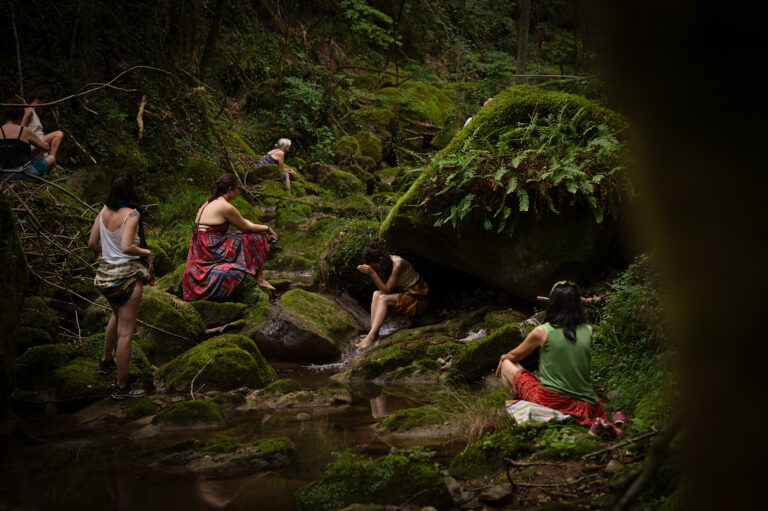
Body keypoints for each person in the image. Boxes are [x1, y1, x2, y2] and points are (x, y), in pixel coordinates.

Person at [496, 281, 616, 429]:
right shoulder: (588, 330)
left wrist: (504, 358)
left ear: (552, 304)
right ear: (578, 305)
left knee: (506, 361)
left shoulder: (542, 331)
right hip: (586, 402)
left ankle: (514, 413)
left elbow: (515, 356)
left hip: (551, 401)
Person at [88, 171, 152, 399]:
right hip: (126, 278)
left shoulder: (103, 211)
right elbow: (126, 247)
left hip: (105, 277)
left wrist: (109, 252)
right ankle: (121, 386)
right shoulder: (132, 214)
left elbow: (92, 242)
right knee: (126, 334)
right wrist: (145, 251)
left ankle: (105, 361)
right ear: (130, 190)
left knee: (115, 316)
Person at [182, 173, 278, 301]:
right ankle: (259, 279)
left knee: (251, 234)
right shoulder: (225, 207)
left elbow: (243, 221)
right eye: (237, 188)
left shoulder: (211, 202)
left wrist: (261, 227)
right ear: (230, 189)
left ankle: (259, 277)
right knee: (256, 237)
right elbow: (246, 227)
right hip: (211, 249)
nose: (238, 192)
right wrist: (266, 228)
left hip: (203, 247)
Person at [355, 247, 429, 350]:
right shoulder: (385, 262)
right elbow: (383, 289)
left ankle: (370, 338)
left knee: (383, 299)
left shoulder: (397, 264)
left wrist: (372, 273)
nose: (376, 270)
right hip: (404, 294)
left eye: (375, 267)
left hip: (417, 299)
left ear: (381, 259)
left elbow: (386, 291)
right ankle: (374, 334)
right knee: (376, 294)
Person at [1, 99, 53, 179]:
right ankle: (43, 182)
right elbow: (46, 148)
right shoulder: (24, 131)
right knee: (51, 159)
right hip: (23, 172)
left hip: (3, 173)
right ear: (21, 116)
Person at [21, 86, 64, 161]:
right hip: (33, 142)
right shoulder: (29, 111)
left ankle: (50, 159)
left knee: (57, 136)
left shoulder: (34, 113)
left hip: (39, 143)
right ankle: (52, 161)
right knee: (59, 134)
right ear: (38, 99)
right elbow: (21, 130)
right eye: (45, 102)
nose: (45, 105)